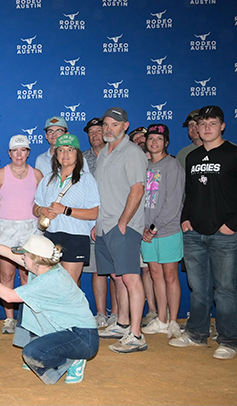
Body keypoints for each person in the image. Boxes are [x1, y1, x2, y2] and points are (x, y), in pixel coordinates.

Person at [170, 105, 237, 360]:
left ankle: (229, 340)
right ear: (197, 128)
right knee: (198, 289)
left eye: (213, 123)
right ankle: (197, 334)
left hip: (224, 236)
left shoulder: (236, 155)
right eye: (202, 124)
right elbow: (189, 193)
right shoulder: (192, 157)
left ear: (222, 126)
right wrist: (185, 219)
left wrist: (233, 225)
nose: (207, 127)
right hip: (194, 234)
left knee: (224, 290)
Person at [0, 235, 99, 385]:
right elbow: (9, 252)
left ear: (37, 260)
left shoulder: (48, 280)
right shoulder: (44, 267)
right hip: (66, 328)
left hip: (82, 338)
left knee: (33, 353)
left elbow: (8, 297)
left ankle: (72, 360)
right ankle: (49, 345)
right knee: (26, 302)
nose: (22, 258)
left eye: (25, 255)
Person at [92, 107, 149, 354]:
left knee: (130, 278)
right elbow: (103, 193)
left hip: (123, 226)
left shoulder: (133, 153)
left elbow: (138, 189)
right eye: (106, 124)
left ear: (125, 126)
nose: (109, 128)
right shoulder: (104, 153)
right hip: (104, 225)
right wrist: (97, 223)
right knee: (116, 277)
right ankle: (122, 323)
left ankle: (136, 335)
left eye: (115, 124)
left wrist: (124, 222)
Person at [0, 134, 43, 334]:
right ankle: (9, 319)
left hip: (30, 229)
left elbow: (42, 204)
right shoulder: (0, 174)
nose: (19, 154)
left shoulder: (37, 175)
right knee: (6, 274)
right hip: (5, 228)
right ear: (9, 153)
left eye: (23, 150)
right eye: (15, 150)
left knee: (27, 275)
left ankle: (27, 318)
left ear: (28, 152)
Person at [34, 133, 99, 284]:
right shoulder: (48, 179)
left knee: (69, 284)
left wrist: (65, 210)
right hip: (51, 235)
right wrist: (42, 211)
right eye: (61, 150)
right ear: (56, 155)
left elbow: (94, 213)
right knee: (51, 283)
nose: (65, 154)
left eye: (70, 150)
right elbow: (35, 206)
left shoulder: (86, 179)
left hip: (76, 237)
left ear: (78, 154)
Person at [139, 124, 185, 339]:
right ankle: (162, 319)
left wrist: (154, 228)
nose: (154, 142)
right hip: (146, 232)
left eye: (159, 139)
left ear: (166, 142)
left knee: (170, 275)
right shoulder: (144, 166)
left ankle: (174, 321)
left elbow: (173, 202)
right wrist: (143, 228)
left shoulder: (173, 165)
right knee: (155, 274)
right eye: (151, 139)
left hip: (167, 230)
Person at [83, 118, 118, 328]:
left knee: (116, 271)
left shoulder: (116, 155)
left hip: (113, 221)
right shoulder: (83, 158)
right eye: (91, 132)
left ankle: (116, 313)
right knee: (98, 270)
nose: (95, 135)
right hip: (90, 223)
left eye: (99, 130)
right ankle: (100, 314)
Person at [129, 125, 159, 327]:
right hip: (137, 225)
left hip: (160, 225)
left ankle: (163, 313)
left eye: (144, 137)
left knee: (161, 270)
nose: (141, 140)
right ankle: (152, 312)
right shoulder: (132, 164)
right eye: (136, 138)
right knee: (145, 270)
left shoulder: (163, 163)